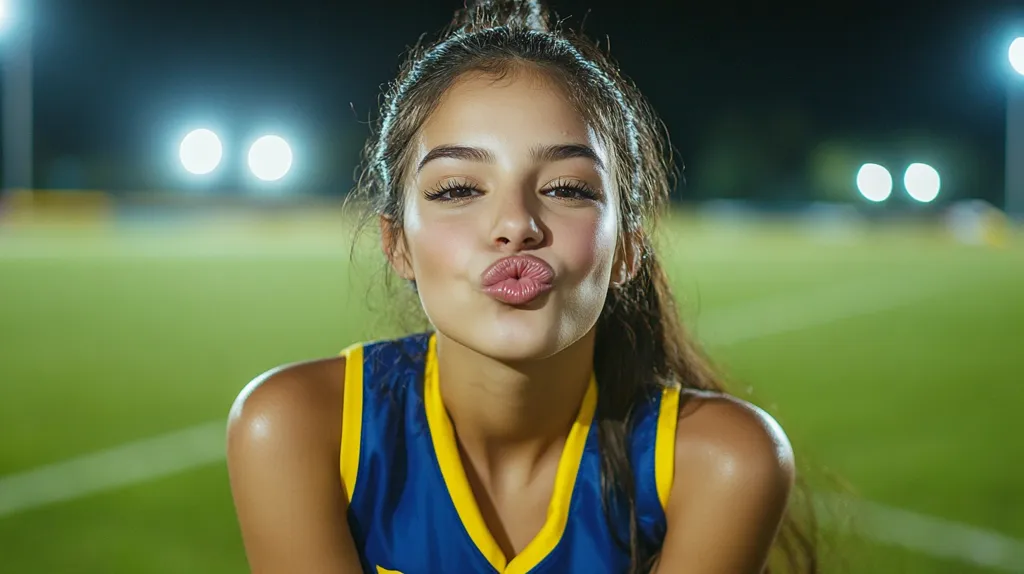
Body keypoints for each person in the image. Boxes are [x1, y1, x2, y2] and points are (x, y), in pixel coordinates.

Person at [226, 1, 817, 572]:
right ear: (397, 242)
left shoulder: (721, 462)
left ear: (627, 249)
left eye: (567, 189)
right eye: (458, 189)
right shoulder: (297, 428)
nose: (515, 224)